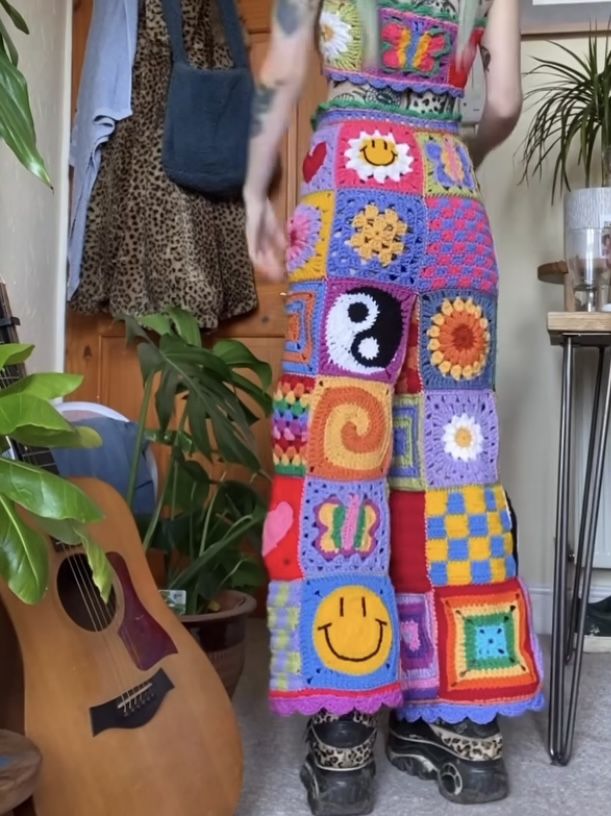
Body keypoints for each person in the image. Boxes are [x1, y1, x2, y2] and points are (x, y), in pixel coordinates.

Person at [244, 2, 543, 813]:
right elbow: (506, 101)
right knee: (452, 460)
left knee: (336, 452)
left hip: (347, 191)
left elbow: (282, 68)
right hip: (451, 206)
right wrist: (451, 153)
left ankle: (341, 735)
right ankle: (463, 734)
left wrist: (254, 186)